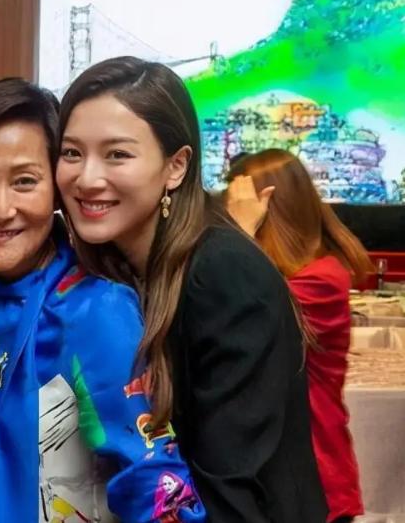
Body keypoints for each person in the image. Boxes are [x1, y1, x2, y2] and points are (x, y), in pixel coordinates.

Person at [55, 56, 327, 521]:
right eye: (72, 153)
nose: (87, 178)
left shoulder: (222, 273)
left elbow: (230, 483)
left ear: (176, 166)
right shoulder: (116, 261)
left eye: (117, 154)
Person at [0, 78, 204, 523]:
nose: (1, 208)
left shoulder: (94, 312)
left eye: (25, 181)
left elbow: (152, 483)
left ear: (55, 189)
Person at [226, 148, 369, 523]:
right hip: (275, 478)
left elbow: (241, 317)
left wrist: (240, 236)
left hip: (312, 482)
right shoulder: (292, 275)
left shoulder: (321, 281)